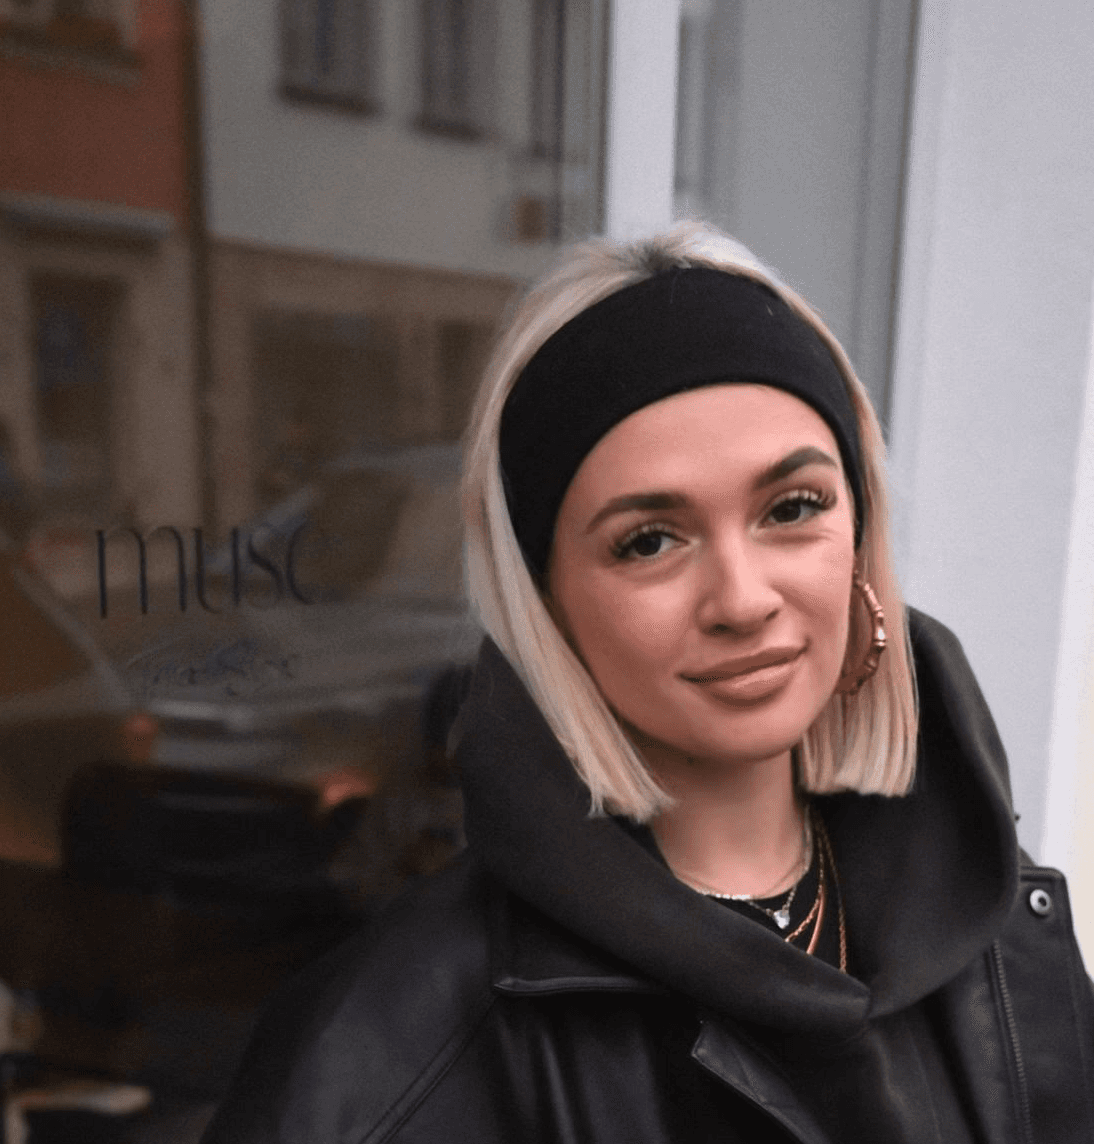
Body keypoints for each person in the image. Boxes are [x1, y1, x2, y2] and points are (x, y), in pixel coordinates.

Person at [202, 223, 1094, 1143]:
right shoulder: (388, 1053)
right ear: (545, 604)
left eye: (793, 508)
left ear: (861, 537)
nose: (742, 600)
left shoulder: (990, 922)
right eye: (649, 541)